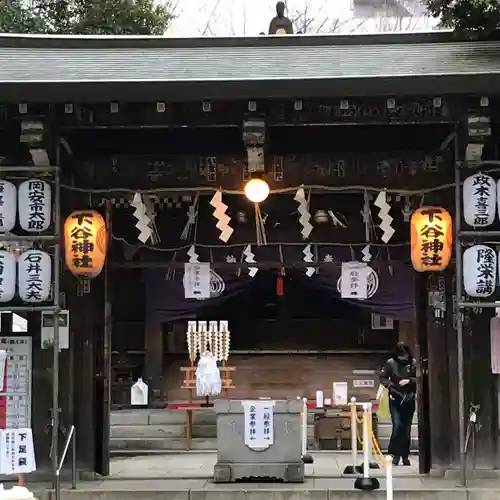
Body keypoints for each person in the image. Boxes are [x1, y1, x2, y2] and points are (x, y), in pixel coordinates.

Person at [379, 341, 417, 466]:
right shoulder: (391, 363)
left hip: (408, 398)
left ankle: (404, 455)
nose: (403, 358)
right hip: (395, 398)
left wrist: (409, 380)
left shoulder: (413, 363)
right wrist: (390, 386)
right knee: (397, 426)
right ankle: (394, 454)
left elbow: (420, 377)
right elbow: (382, 377)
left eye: (405, 355)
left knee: (406, 429)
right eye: (401, 355)